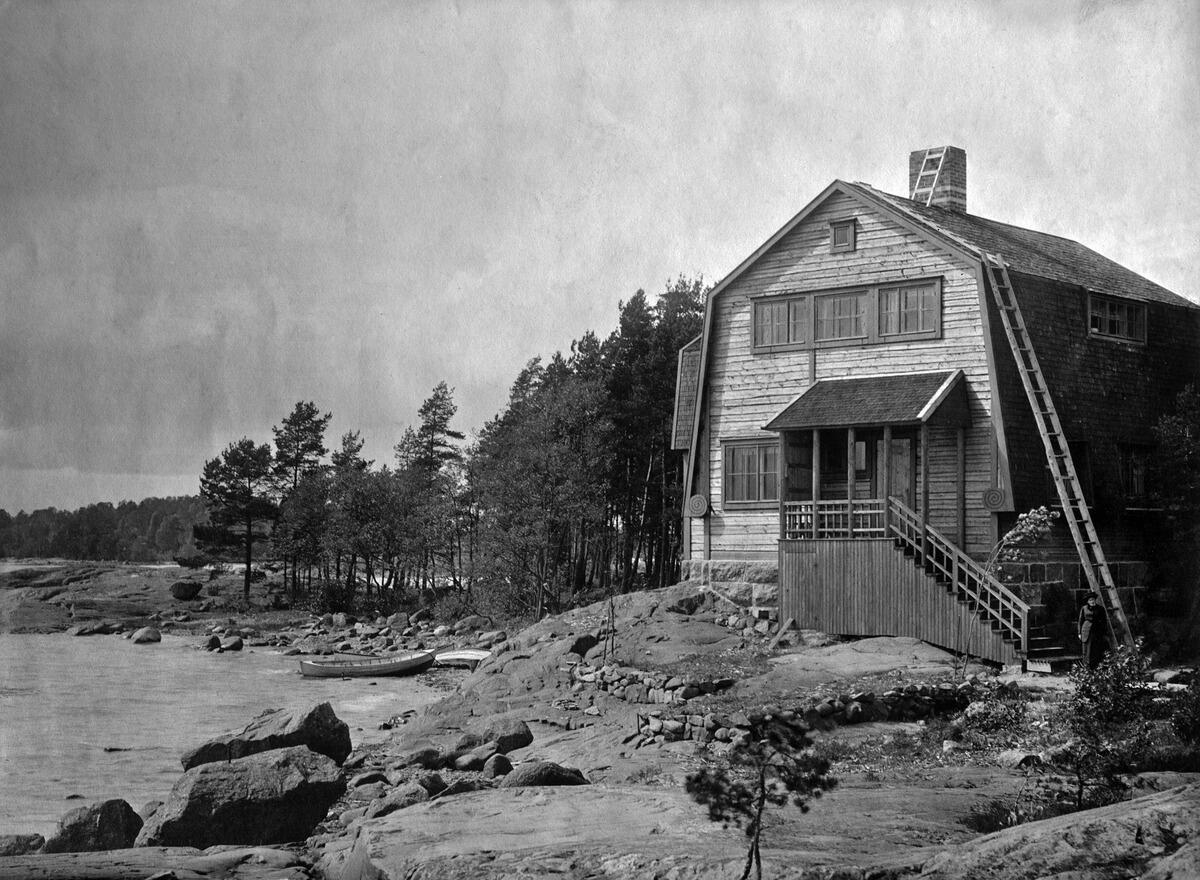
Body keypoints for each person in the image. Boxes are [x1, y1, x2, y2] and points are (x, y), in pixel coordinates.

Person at [1077, 592, 1107, 669]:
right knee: (1086, 650)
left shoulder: (1100, 609)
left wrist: (1103, 632)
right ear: (1087, 601)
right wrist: (1079, 633)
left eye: (1093, 600)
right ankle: (1086, 668)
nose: (1092, 601)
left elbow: (1104, 621)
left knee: (1095, 650)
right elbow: (1080, 621)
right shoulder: (1084, 608)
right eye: (1090, 600)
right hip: (1086, 631)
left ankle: (1095, 668)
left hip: (1096, 632)